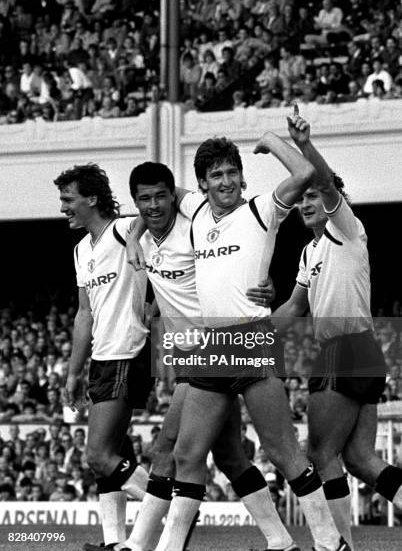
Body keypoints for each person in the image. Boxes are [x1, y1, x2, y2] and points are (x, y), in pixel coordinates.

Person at [151, 114, 350, 551]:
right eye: (216, 174)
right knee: (188, 455)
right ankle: (267, 543)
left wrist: (272, 141)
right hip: (210, 346)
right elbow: (155, 195)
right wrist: (130, 239)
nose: (226, 181)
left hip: (250, 341)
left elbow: (305, 174)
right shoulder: (197, 209)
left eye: (232, 172)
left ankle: (328, 543)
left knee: (284, 452)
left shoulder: (261, 210)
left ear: (242, 177)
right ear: (202, 184)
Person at [118, 161, 300, 551]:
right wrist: (133, 238)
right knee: (231, 456)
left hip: (215, 348)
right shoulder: (144, 239)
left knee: (170, 446)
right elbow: (139, 223)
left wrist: (267, 287)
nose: (153, 206)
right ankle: (281, 540)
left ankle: (142, 545)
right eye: (144, 200)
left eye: (161, 196)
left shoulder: (193, 230)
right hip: (189, 355)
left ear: (176, 196)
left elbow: (235, 266)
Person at [272, 106, 402, 549]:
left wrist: (301, 146)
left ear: (332, 202)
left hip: (343, 350)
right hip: (362, 352)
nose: (305, 204)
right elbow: (292, 308)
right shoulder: (310, 254)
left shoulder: (347, 230)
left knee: (321, 455)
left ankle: (337, 546)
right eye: (301, 199)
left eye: (313, 197)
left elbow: (325, 182)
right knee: (361, 459)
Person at [54, 164, 153, 551]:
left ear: (92, 198)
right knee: (111, 452)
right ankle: (114, 541)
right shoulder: (81, 250)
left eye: (68, 199)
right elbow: (84, 314)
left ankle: (175, 504)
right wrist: (73, 372)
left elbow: (155, 213)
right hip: (102, 357)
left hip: (128, 351)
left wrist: (134, 240)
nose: (63, 207)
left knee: (97, 454)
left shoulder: (123, 229)